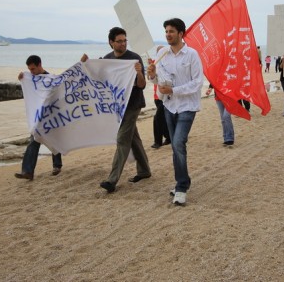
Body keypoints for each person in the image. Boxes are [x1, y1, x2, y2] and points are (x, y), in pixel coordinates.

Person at [87, 27, 151, 193]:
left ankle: (112, 180)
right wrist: (86, 64)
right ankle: (144, 170)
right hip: (117, 107)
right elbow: (98, 79)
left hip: (133, 105)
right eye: (119, 41)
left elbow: (142, 85)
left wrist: (138, 73)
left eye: (125, 41)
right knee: (133, 138)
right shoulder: (108, 59)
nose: (123, 44)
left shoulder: (134, 58)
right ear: (111, 43)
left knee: (122, 138)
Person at [147, 18, 204, 206]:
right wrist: (153, 74)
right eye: (166, 31)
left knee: (179, 142)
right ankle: (183, 181)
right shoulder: (163, 54)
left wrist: (174, 90)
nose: (167, 34)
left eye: (171, 31)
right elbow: (159, 82)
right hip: (169, 106)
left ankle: (181, 188)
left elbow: (197, 83)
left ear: (181, 33)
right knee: (175, 147)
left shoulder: (192, 55)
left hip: (187, 106)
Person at [14, 55, 63, 180]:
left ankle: (57, 165)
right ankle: (28, 171)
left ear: (40, 65)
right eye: (29, 69)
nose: (32, 72)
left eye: (33, 69)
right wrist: (23, 78)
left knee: (53, 139)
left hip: (51, 115)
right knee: (34, 140)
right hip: (38, 117)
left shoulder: (49, 79)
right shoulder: (32, 78)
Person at [149, 47, 171, 149]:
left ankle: (158, 141)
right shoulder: (155, 63)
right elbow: (150, 78)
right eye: (159, 52)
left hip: (166, 96)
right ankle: (169, 137)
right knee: (163, 118)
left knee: (157, 118)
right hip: (157, 97)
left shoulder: (168, 64)